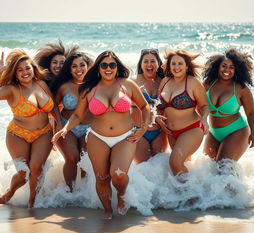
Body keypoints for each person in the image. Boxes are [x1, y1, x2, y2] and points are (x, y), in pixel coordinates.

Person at [52, 50, 150, 219]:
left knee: (118, 174)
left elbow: (144, 106)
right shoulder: (89, 89)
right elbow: (77, 115)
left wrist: (143, 127)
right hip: (98, 137)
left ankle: (121, 194)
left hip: (125, 137)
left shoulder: (127, 84)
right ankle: (107, 210)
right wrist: (65, 129)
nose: (108, 68)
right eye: (104, 65)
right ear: (98, 68)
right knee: (102, 177)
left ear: (117, 66)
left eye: (112, 64)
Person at [0, 49, 61, 207]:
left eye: (27, 68)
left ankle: (32, 202)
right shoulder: (12, 90)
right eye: (19, 70)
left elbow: (53, 107)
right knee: (23, 174)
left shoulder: (41, 84)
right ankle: (10, 192)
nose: (24, 72)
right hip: (17, 135)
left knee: (36, 168)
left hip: (43, 133)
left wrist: (59, 125)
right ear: (15, 74)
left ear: (33, 68)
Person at [157, 50, 209, 178]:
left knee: (175, 162)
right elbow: (158, 105)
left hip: (191, 129)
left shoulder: (192, 82)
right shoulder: (165, 81)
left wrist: (204, 119)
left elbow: (204, 106)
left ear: (186, 66)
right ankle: (186, 194)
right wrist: (156, 116)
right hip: (171, 132)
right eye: (173, 64)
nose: (176, 67)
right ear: (169, 66)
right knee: (182, 164)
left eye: (180, 63)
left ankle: (193, 196)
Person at [202, 48, 254, 162]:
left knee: (224, 167)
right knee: (208, 167)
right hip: (214, 132)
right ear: (218, 66)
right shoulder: (208, 84)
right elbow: (197, 105)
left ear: (237, 70)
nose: (227, 69)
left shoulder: (241, 89)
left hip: (237, 131)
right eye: (224, 66)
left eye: (232, 67)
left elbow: (251, 113)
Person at [51, 52, 94, 191]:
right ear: (69, 69)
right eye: (74, 66)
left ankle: (83, 194)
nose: (78, 68)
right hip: (66, 126)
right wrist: (59, 123)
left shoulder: (94, 86)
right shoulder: (64, 86)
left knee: (85, 160)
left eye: (82, 65)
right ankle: (69, 191)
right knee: (72, 158)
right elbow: (53, 105)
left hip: (87, 128)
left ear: (88, 67)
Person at [132, 48, 169, 163]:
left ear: (158, 63)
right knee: (143, 170)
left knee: (158, 170)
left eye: (153, 61)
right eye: (145, 61)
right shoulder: (133, 82)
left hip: (159, 132)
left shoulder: (164, 81)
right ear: (141, 64)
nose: (149, 64)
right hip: (139, 132)